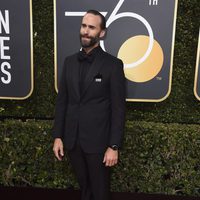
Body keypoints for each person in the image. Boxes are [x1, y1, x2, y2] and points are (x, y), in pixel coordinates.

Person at [52, 9, 126, 200]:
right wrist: (58, 136)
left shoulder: (113, 65)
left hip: (98, 143)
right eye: (83, 26)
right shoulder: (69, 62)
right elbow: (63, 102)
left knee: (100, 192)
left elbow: (118, 109)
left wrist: (114, 146)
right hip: (72, 141)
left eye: (91, 27)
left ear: (101, 33)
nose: (86, 31)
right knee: (84, 189)